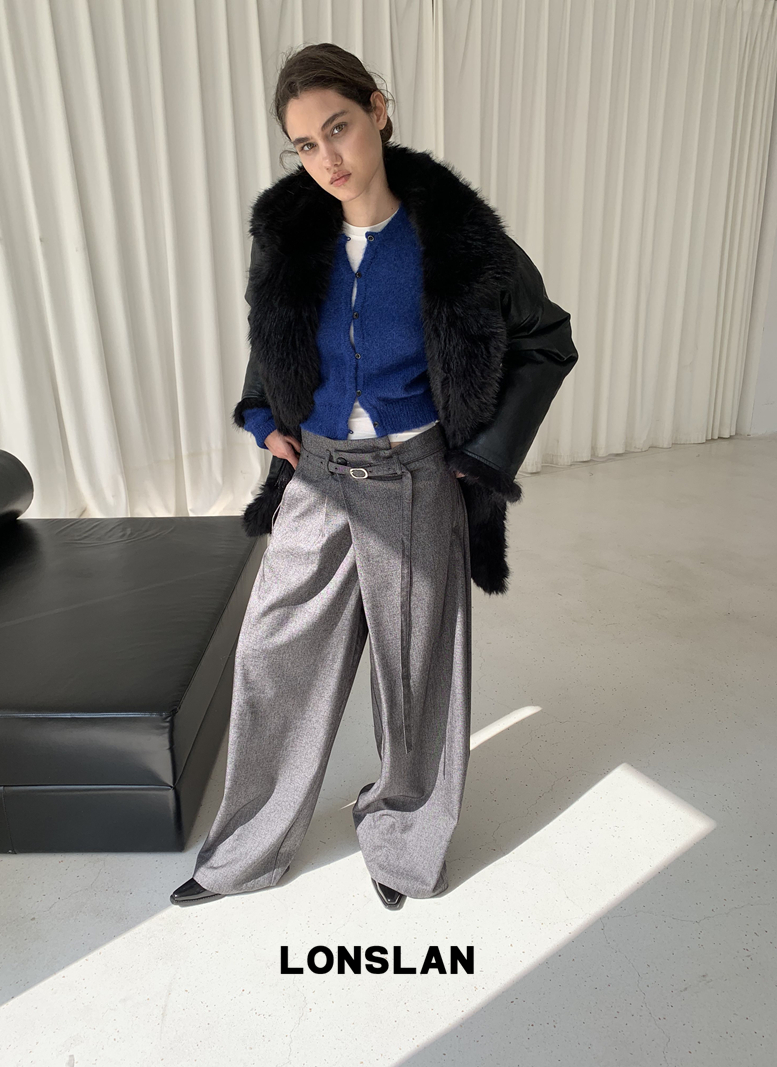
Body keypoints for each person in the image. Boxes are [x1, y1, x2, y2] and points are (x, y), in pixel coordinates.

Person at [171, 43, 578, 911]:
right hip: (317, 473)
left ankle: (403, 841)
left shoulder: (459, 242)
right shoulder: (290, 236)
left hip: (415, 475)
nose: (327, 158)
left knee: (415, 673)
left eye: (338, 128)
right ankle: (247, 848)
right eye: (304, 145)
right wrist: (262, 416)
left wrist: (482, 454)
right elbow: (271, 332)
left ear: (378, 111)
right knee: (271, 654)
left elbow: (547, 338)